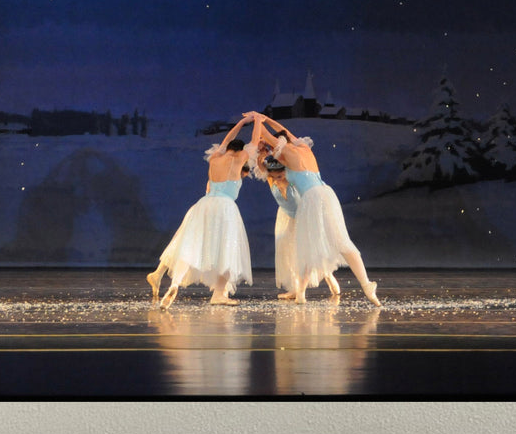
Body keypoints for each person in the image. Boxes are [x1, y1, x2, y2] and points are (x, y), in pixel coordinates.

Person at [248, 112, 379, 305]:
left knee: (306, 245)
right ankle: (367, 285)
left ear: (279, 143)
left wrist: (257, 121)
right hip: (327, 193)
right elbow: (283, 133)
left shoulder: (287, 153)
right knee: (343, 242)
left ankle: (301, 294)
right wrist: (266, 119)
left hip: (311, 199)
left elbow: (265, 137)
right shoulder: (302, 148)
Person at [147, 117, 254, 307]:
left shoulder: (215, 158)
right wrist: (259, 121)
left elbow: (225, 141)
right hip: (224, 208)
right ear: (240, 150)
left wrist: (241, 123)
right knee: (226, 251)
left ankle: (175, 283)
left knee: (189, 244)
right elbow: (254, 142)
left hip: (203, 205)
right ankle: (219, 294)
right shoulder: (239, 159)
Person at [251, 139, 340, 300]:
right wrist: (263, 154)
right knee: (289, 254)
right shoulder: (272, 179)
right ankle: (296, 288)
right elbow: (262, 167)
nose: (277, 178)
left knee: (311, 248)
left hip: (304, 218)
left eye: (280, 175)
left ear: (286, 171)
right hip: (286, 219)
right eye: (274, 176)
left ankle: (327, 274)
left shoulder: (294, 179)